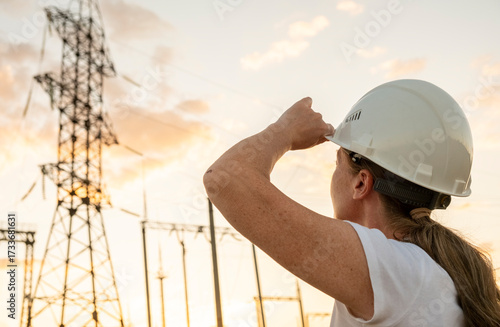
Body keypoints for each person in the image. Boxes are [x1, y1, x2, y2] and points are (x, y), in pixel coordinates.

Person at [203, 79, 500, 326]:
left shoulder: (396, 271)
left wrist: (284, 130)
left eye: (336, 164)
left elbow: (224, 179)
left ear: (361, 183)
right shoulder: (431, 271)